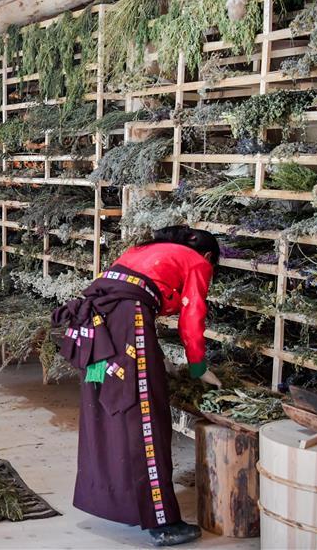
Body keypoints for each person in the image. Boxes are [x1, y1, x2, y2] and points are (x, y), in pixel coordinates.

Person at [51, 225, 222, 547]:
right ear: (209, 256)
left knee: (101, 403)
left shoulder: (142, 250)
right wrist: (198, 367)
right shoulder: (197, 261)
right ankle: (162, 523)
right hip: (128, 323)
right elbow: (192, 315)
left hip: (96, 329)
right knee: (145, 411)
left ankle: (103, 497)